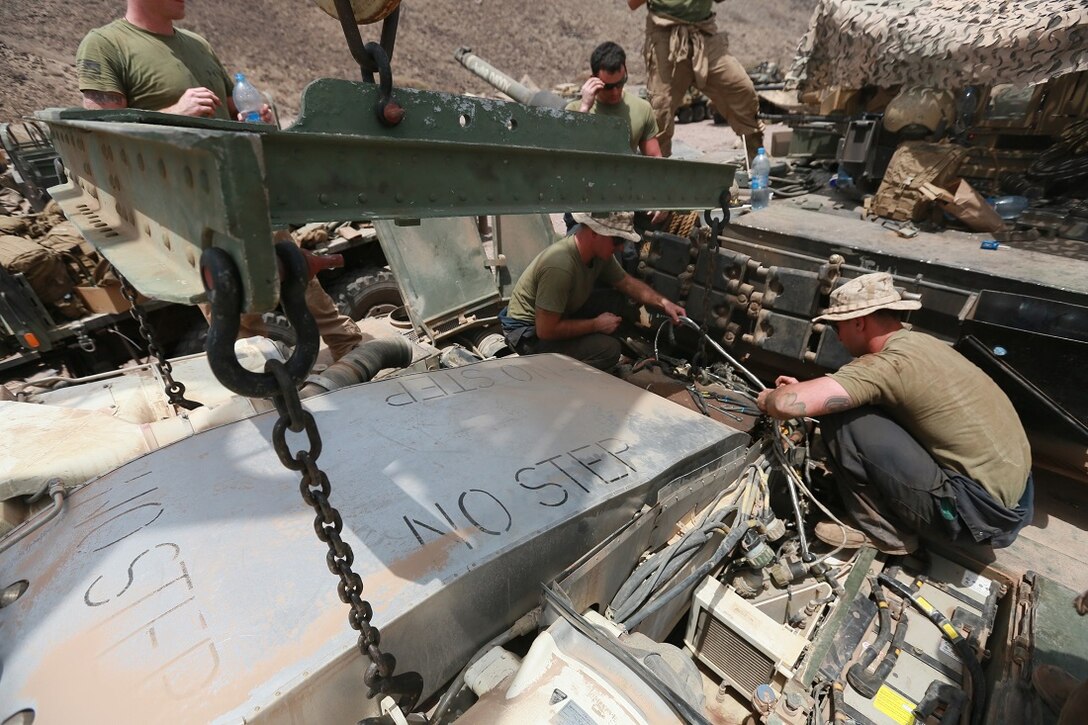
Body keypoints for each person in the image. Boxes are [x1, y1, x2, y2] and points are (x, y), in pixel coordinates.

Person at [75, 1, 364, 360]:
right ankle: (262, 377)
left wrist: (250, 115)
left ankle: (346, 343)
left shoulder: (196, 44)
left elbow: (232, 107)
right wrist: (173, 113)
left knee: (290, 263)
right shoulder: (106, 44)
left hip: (234, 186)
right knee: (229, 292)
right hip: (179, 203)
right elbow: (101, 133)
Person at [756, 272, 1033, 555]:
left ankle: (887, 532)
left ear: (859, 322)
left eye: (837, 328)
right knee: (853, 402)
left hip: (973, 516)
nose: (837, 337)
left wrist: (769, 399)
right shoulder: (924, 345)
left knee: (841, 417)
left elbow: (785, 405)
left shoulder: (888, 364)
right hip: (1017, 503)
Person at [500, 212, 685, 371]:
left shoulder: (597, 254)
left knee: (615, 301)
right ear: (595, 233)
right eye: (618, 240)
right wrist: (596, 325)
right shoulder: (560, 266)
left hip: (551, 318)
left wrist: (664, 303)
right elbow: (545, 330)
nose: (621, 247)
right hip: (527, 334)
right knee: (608, 349)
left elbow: (627, 283)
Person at [627, 0, 764, 161]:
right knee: (660, 108)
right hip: (666, 36)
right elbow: (632, 3)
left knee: (741, 89)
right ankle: (658, 171)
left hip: (704, 33)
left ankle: (757, 160)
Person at [567, 42, 662, 157]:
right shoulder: (574, 111)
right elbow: (569, 156)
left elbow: (655, 159)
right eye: (608, 87)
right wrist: (585, 109)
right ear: (593, 80)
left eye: (620, 83)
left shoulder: (643, 109)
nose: (615, 92)